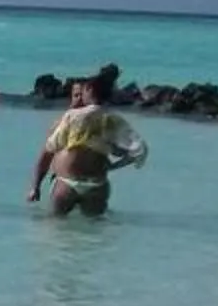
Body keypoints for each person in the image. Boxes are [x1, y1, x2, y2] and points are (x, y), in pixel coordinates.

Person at [28, 78, 146, 218]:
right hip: (66, 182)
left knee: (93, 232)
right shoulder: (64, 121)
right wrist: (35, 187)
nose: (80, 100)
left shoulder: (104, 121)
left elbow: (128, 150)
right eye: (76, 96)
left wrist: (114, 164)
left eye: (81, 95)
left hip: (95, 184)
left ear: (88, 94)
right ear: (70, 98)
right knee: (55, 231)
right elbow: (46, 156)